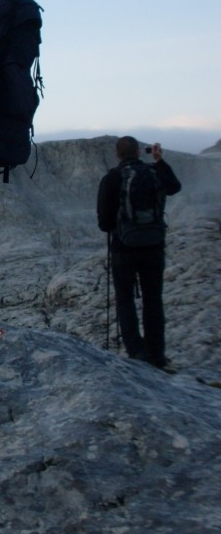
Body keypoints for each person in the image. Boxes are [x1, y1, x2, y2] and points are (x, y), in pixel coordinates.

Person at [96, 136, 181, 369]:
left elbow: (104, 222)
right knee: (153, 300)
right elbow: (175, 187)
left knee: (125, 300)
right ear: (138, 152)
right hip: (154, 247)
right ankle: (157, 355)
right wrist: (159, 161)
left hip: (123, 248)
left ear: (118, 154)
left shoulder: (112, 178)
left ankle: (136, 352)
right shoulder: (154, 172)